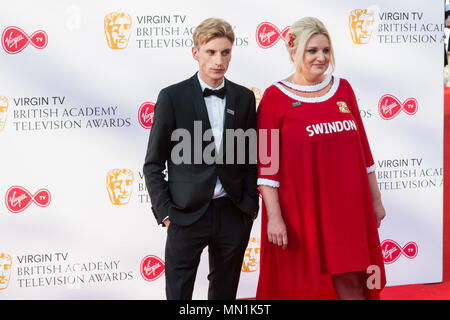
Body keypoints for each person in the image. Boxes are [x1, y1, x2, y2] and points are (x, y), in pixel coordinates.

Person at [256, 17, 386, 300]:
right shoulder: (274, 97)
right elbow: (267, 167)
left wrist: (375, 199)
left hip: (348, 208)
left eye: (326, 50)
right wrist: (274, 218)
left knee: (352, 284)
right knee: (300, 288)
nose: (321, 57)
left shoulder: (344, 89)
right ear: (294, 53)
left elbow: (364, 150)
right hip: (299, 211)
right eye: (312, 50)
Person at [143, 17, 259, 300]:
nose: (218, 60)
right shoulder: (172, 97)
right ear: (196, 53)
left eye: (225, 52)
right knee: (179, 294)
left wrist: (248, 208)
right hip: (185, 215)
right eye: (211, 52)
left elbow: (251, 158)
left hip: (232, 212)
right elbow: (153, 164)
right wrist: (167, 213)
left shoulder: (244, 98)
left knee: (225, 294)